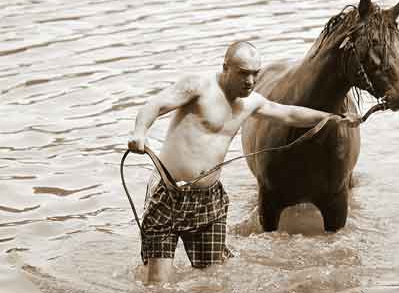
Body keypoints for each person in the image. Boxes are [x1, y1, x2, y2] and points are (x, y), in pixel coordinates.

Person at [127, 41, 361, 283]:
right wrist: (139, 132)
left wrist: (334, 119)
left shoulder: (251, 102)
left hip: (210, 199)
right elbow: (155, 104)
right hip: (171, 194)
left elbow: (290, 114)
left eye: (255, 74)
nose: (250, 81)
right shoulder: (198, 86)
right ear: (226, 67)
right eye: (243, 73)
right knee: (159, 282)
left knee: (211, 279)